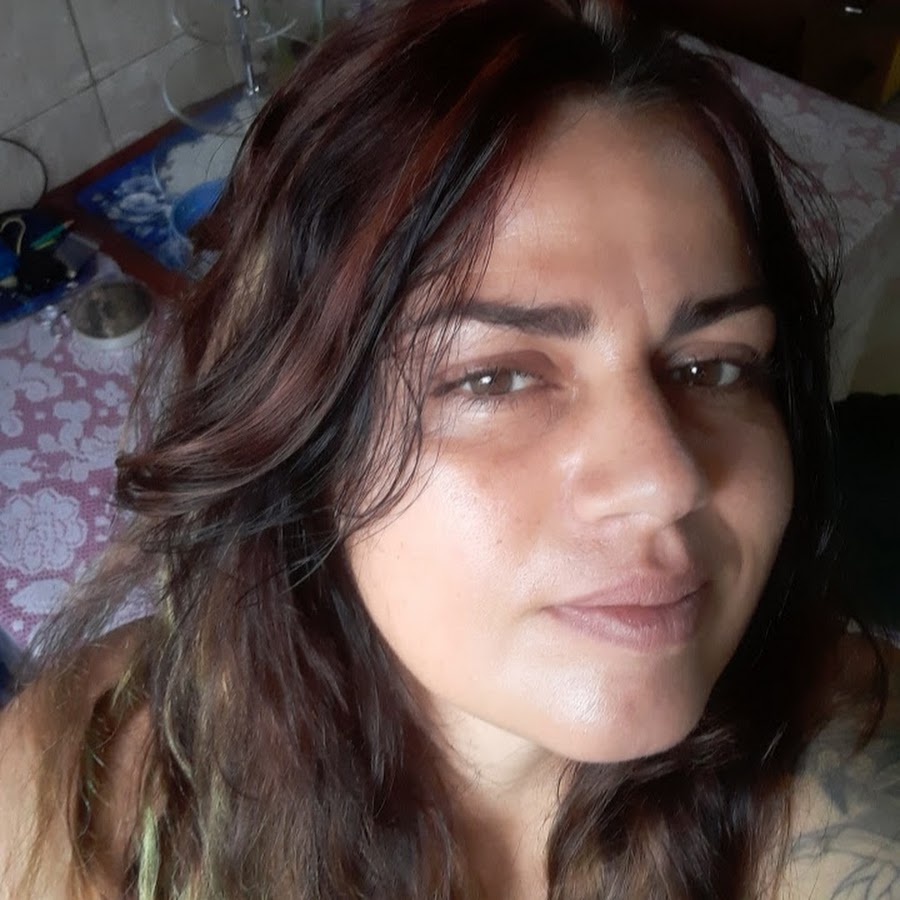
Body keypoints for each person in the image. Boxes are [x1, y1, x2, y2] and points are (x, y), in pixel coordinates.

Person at [1, 1, 897, 897]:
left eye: (713, 368)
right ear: (304, 440)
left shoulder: (842, 767)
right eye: (496, 379)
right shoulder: (79, 800)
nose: (668, 481)